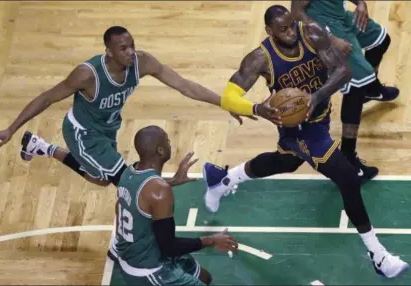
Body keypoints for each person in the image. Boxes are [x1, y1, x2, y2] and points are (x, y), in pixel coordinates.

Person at [203, 5, 409, 279]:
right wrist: (255, 108)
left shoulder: (310, 33)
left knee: (286, 161)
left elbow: (343, 71)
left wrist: (317, 96)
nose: (290, 32)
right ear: (269, 31)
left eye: (290, 25)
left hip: (318, 116)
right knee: (347, 177)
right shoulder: (260, 59)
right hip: (298, 128)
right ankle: (378, 254)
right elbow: (229, 96)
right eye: (283, 29)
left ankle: (223, 179)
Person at [0, 26, 277, 187]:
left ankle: (39, 146)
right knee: (123, 182)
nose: (131, 52)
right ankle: (122, 245)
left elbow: (186, 86)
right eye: (123, 49)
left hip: (108, 128)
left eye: (132, 45)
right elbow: (47, 97)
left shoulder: (143, 62)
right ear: (108, 52)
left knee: (98, 178)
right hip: (84, 134)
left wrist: (229, 104)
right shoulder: (88, 74)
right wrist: (9, 129)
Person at [108, 125, 238, 285]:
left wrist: (173, 181)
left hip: (140, 250)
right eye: (167, 141)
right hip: (148, 269)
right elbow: (169, 247)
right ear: (160, 150)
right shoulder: (160, 190)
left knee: (205, 278)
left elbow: (137, 199)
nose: (171, 144)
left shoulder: (129, 172)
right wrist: (211, 240)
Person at [291, 0, 398, 181]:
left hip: (340, 18)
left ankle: (371, 88)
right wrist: (330, 39)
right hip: (323, 29)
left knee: (380, 40)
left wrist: (361, 3)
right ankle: (348, 156)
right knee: (355, 88)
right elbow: (296, 12)